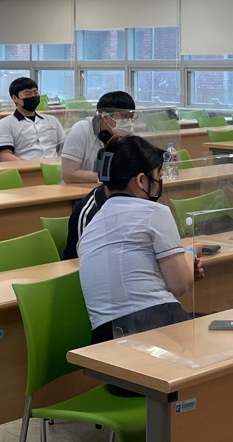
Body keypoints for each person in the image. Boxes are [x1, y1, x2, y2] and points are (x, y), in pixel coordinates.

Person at [78, 136, 201, 342]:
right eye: (159, 176)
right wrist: (191, 251)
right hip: (154, 324)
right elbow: (180, 284)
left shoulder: (91, 227)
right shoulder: (155, 212)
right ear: (142, 180)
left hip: (104, 338)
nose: (160, 183)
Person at [61, 91, 136, 184]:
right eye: (123, 116)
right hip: (80, 189)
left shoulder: (128, 133)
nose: (128, 122)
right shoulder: (81, 130)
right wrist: (106, 177)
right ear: (105, 117)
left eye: (131, 117)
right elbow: (68, 174)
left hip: (114, 189)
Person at [0, 78, 64, 161]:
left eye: (35, 93)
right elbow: (4, 155)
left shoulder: (52, 120)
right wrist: (26, 166)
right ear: (15, 98)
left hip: (55, 166)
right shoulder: (5, 124)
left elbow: (64, 147)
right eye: (27, 94)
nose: (33, 96)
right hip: (25, 167)